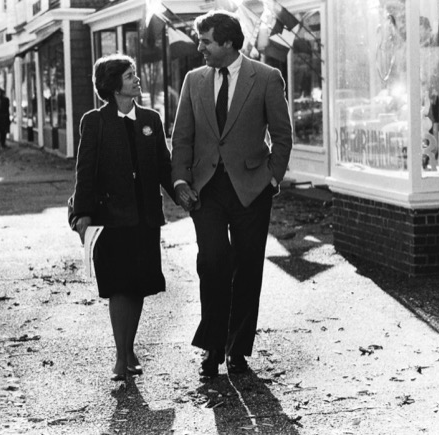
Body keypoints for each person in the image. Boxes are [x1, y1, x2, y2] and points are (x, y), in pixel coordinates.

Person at [171, 10, 293, 378]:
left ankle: (238, 348)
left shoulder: (267, 78)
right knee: (211, 263)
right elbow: (182, 139)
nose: (199, 47)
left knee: (248, 267)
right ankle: (212, 346)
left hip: (252, 189)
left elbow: (282, 135)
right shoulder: (194, 81)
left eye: (205, 40)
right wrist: (179, 182)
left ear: (227, 42)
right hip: (205, 190)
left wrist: (272, 178)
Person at [70, 54, 176, 381]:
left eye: (135, 74)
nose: (137, 79)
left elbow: (163, 166)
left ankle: (129, 348)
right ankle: (120, 357)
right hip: (111, 219)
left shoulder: (151, 119)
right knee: (119, 287)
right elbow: (85, 172)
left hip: (145, 218)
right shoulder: (94, 121)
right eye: (130, 75)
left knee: (139, 286)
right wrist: (82, 213)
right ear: (115, 85)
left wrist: (183, 193)